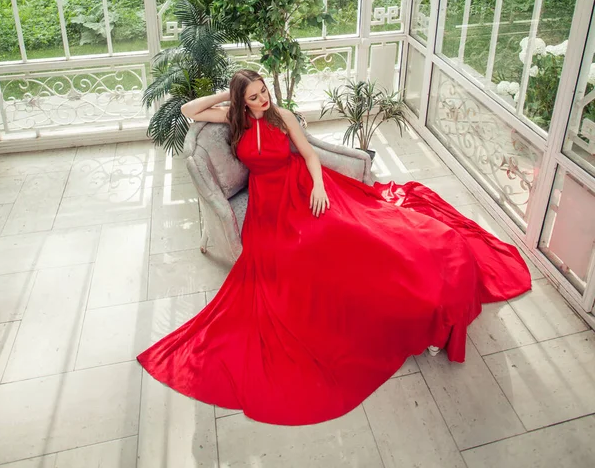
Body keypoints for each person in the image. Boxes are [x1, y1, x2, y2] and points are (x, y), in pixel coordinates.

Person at [137, 69, 531, 426]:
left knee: (353, 234)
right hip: (268, 203)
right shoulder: (233, 120)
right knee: (294, 260)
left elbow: (308, 154)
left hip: (302, 185)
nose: (263, 100)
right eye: (254, 96)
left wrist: (321, 187)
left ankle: (419, 284)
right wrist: (228, 92)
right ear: (241, 102)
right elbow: (190, 109)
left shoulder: (282, 116)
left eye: (264, 92)